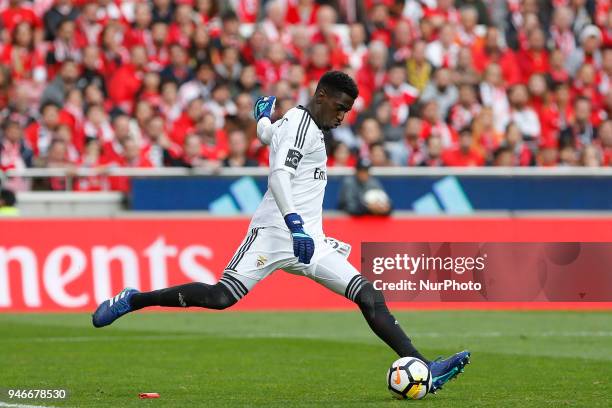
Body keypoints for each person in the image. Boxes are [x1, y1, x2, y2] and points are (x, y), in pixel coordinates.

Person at [92, 71, 470, 393]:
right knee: (221, 297)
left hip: (312, 243)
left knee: (370, 296)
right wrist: (294, 225)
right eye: (339, 107)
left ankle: (425, 367)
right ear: (321, 96)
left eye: (348, 111)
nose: (342, 117)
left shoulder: (300, 126)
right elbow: (278, 177)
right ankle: (134, 299)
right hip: (275, 233)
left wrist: (261, 119)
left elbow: (268, 138)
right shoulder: (299, 125)